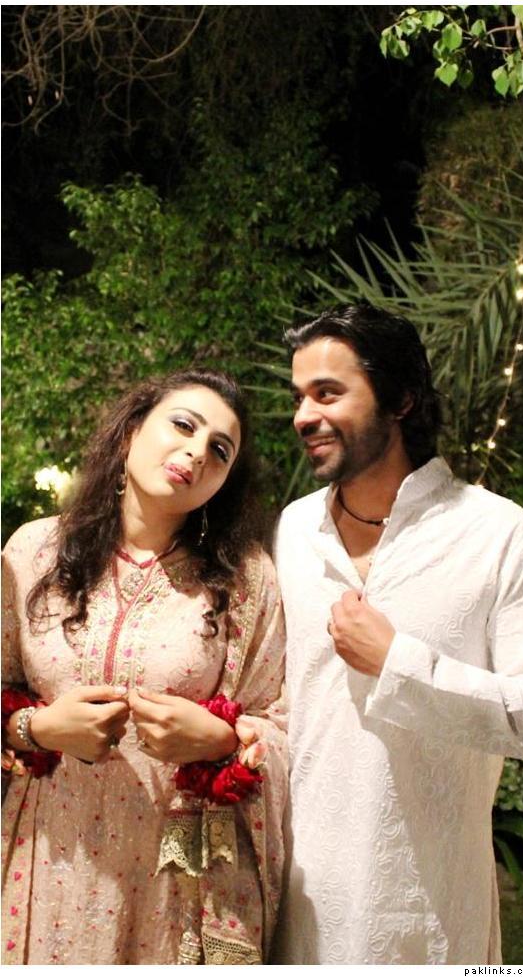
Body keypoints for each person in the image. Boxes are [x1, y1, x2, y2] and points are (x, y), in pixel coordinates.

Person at [272, 304, 523, 965]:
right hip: (298, 905)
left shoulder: (498, 534)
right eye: (299, 396)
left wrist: (400, 662)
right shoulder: (294, 531)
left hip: (429, 912)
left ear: (401, 399)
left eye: (327, 392)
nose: (303, 415)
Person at [2, 368, 287, 966]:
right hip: (44, 860)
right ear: (131, 431)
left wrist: (223, 740)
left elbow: (281, 721)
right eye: (183, 425)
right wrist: (38, 728)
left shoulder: (246, 579)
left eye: (220, 450)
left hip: (175, 880)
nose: (197, 451)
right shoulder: (33, 552)